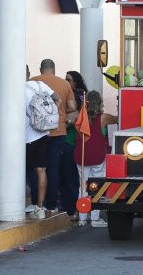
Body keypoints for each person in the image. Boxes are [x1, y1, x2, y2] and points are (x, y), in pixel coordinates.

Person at [30, 59, 76, 213]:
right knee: (53, 167)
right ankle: (52, 204)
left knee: (37, 167)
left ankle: (37, 202)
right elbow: (72, 107)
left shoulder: (32, 82)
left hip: (37, 132)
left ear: (41, 69)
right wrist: (61, 112)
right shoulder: (64, 84)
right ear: (54, 69)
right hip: (58, 130)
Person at [74, 91, 117, 227]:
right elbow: (118, 118)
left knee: (82, 187)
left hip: (81, 156)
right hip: (97, 156)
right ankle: (94, 219)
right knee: (95, 187)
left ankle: (82, 218)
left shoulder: (79, 117)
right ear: (99, 103)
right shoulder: (103, 118)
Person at [24, 65, 59, 219]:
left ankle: (17, 204)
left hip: (26, 136)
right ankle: (40, 208)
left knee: (22, 171)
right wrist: (47, 117)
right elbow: (58, 100)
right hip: (43, 133)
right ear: (28, 73)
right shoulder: (39, 84)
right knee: (41, 170)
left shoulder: (14, 89)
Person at [61, 71, 88, 218]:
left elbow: (69, 121)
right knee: (70, 178)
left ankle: (73, 208)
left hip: (71, 144)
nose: (66, 82)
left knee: (70, 178)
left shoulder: (77, 105)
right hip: (71, 144)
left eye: (68, 80)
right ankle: (73, 208)